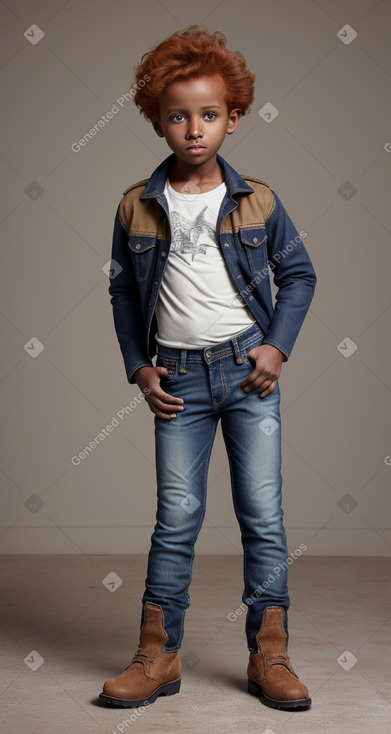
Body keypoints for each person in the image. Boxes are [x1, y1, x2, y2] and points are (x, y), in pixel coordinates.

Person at [99, 25, 316, 712]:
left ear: (233, 117)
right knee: (178, 515)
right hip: (180, 383)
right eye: (178, 115)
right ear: (158, 120)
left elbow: (300, 275)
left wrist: (275, 346)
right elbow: (122, 292)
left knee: (262, 514)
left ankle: (270, 654)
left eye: (209, 114)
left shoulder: (259, 200)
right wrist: (138, 367)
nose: (194, 129)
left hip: (247, 378)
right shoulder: (137, 203)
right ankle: (157, 656)